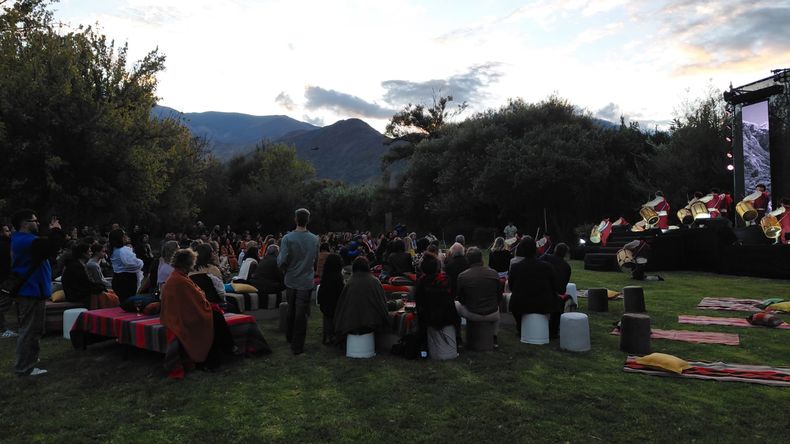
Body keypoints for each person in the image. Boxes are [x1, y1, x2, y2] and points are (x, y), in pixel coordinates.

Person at [161, 249, 236, 377]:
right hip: (184, 317)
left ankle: (225, 350)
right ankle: (219, 356)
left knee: (215, 317)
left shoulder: (178, 277)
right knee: (213, 320)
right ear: (188, 263)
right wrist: (206, 306)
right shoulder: (180, 280)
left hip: (181, 314)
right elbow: (196, 300)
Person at [10, 209, 64, 376]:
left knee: (34, 330)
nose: (38, 223)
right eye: (35, 220)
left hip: (33, 290)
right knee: (29, 331)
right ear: (25, 223)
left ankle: (30, 359)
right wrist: (56, 230)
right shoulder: (25, 241)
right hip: (30, 291)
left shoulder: (24, 240)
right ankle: (24, 367)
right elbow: (52, 247)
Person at [277, 208, 320, 355]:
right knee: (301, 313)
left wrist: (284, 269)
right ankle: (297, 346)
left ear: (295, 219)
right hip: (306, 280)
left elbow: (282, 260)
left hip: (291, 279)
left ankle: (290, 337)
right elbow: (316, 261)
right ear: (308, 220)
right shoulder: (315, 239)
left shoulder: (287, 239)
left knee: (291, 309)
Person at [507, 236, 561, 336]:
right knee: (558, 300)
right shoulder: (547, 267)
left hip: (520, 304)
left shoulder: (515, 267)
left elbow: (511, 287)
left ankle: (520, 327)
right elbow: (555, 286)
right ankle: (553, 331)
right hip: (544, 304)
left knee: (513, 299)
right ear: (536, 250)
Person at [455, 247, 502, 346]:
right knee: (497, 307)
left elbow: (461, 299)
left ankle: (458, 337)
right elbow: (499, 296)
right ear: (481, 259)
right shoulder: (494, 273)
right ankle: (494, 337)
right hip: (492, 312)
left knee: (454, 305)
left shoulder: (462, 276)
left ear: (468, 260)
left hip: (473, 312)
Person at [333, 256, 389, 340]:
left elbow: (341, 306)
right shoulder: (375, 281)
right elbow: (382, 304)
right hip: (373, 323)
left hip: (350, 324)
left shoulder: (350, 282)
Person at [414, 254, 459, 356]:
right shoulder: (446, 280)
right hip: (448, 317)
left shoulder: (421, 282)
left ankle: (424, 346)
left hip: (428, 318)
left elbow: (419, 304)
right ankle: (458, 340)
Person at [541, 242, 572, 335]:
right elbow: (563, 286)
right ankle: (554, 330)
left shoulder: (545, 258)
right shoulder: (566, 266)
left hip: (541, 290)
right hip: (555, 295)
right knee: (561, 299)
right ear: (565, 253)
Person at [108, 228, 144, 303]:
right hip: (127, 279)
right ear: (120, 238)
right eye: (124, 235)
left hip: (117, 277)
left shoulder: (114, 249)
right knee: (128, 301)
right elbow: (134, 264)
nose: (126, 237)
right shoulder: (123, 250)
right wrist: (140, 262)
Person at [317, 253, 344, 345]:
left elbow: (321, 291)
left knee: (327, 318)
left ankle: (327, 336)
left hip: (325, 303)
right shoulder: (338, 278)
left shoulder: (325, 276)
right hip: (336, 303)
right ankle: (334, 336)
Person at [0, 224, 15, 338]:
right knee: (3, 304)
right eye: (7, 231)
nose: (9, 233)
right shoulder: (6, 245)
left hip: (4, 278)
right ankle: (2, 329)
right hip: (5, 279)